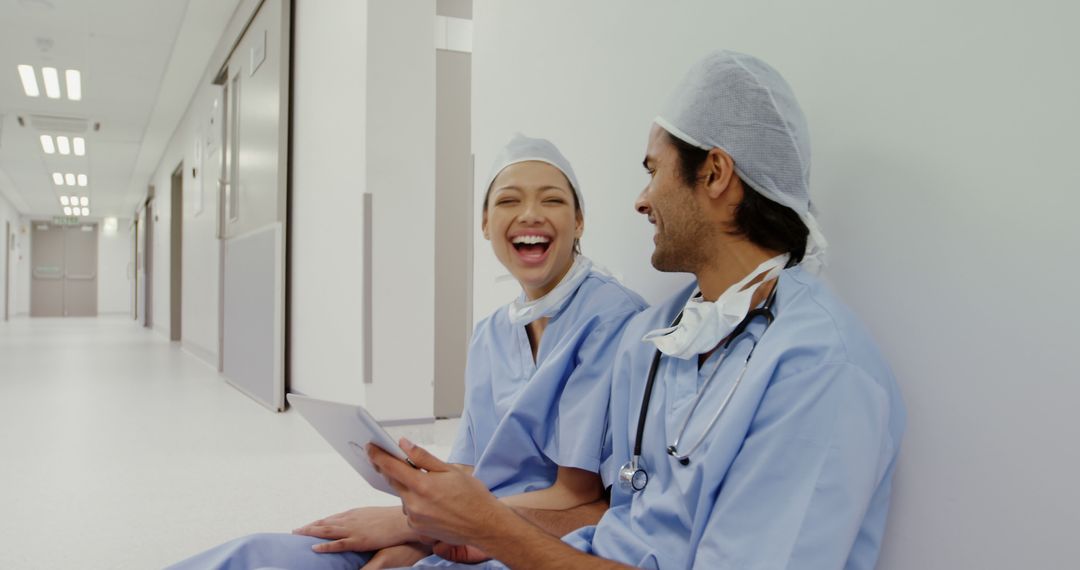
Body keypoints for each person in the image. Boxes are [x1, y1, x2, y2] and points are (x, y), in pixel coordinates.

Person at [369, 50, 907, 569]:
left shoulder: (820, 370)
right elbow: (613, 524)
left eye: (654, 171)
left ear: (714, 173)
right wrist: (450, 537)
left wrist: (490, 528)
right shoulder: (656, 337)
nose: (641, 199)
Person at [167, 134, 647, 570]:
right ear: (485, 224)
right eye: (508, 201)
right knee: (258, 556)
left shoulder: (608, 317)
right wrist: (421, 518)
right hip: (456, 527)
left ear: (579, 220)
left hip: (517, 541)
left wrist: (413, 525)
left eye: (553, 200)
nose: (529, 215)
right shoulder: (491, 333)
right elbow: (466, 467)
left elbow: (575, 496)